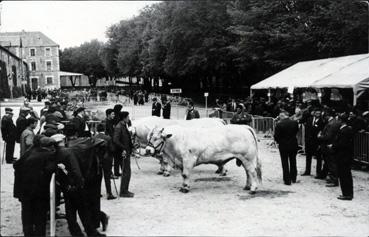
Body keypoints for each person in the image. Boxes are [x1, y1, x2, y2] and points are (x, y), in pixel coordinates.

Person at [13, 135, 57, 236]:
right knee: (40, 217)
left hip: (24, 191)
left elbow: (16, 165)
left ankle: (28, 234)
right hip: (39, 192)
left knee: (27, 215)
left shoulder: (29, 152)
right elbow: (50, 170)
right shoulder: (48, 155)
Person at [329, 113, 354, 200]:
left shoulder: (344, 131)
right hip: (346, 156)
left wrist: (333, 146)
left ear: (340, 121)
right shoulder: (348, 129)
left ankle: (347, 194)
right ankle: (348, 193)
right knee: (346, 175)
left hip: (343, 156)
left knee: (344, 176)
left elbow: (342, 144)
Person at [274, 111, 299, 185]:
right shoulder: (295, 123)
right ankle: (293, 177)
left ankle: (287, 179)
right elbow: (296, 131)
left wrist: (279, 141)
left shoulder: (279, 124)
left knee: (285, 163)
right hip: (293, 144)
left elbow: (276, 136)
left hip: (283, 145)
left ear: (282, 116)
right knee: (293, 161)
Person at [317, 109, 341, 187]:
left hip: (329, 146)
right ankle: (329, 177)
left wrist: (320, 136)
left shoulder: (331, 124)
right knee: (329, 163)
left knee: (331, 163)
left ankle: (334, 180)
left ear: (328, 116)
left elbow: (328, 136)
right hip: (332, 145)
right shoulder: (336, 122)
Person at [113, 111, 134, 198]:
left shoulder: (123, 126)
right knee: (126, 172)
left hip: (126, 152)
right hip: (123, 153)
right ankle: (123, 192)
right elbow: (115, 140)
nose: (129, 118)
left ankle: (125, 190)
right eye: (128, 117)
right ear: (124, 118)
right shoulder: (119, 127)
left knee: (127, 172)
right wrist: (123, 148)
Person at [94, 123, 116, 200]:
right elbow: (112, 149)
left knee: (98, 177)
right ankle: (109, 193)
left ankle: (97, 193)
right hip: (107, 159)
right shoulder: (108, 138)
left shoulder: (94, 137)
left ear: (97, 129)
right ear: (104, 129)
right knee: (107, 177)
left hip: (97, 160)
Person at [302, 108, 325, 177]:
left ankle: (318, 172)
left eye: (319, 113)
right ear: (314, 113)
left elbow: (322, 131)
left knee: (318, 158)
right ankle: (307, 171)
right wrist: (306, 139)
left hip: (316, 142)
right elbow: (307, 130)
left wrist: (320, 143)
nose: (318, 114)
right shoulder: (309, 119)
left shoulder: (322, 121)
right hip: (309, 141)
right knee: (308, 156)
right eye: (317, 113)